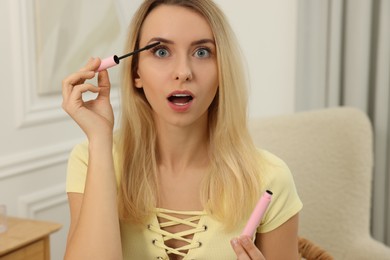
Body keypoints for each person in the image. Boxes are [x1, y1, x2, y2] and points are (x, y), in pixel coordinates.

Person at [62, 0, 303, 259]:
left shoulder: (270, 179)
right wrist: (100, 141)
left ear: (223, 70)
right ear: (136, 72)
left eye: (202, 52)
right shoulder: (90, 159)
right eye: (161, 52)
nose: (183, 73)